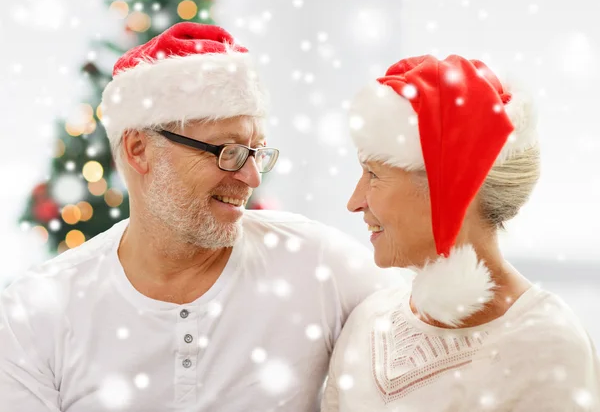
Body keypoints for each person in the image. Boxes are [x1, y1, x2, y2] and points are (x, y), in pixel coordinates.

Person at [0, 23, 402, 411]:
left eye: (256, 152)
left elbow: (434, 348)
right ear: (139, 149)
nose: (251, 177)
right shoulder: (36, 312)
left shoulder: (321, 268)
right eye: (226, 152)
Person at [322, 55, 600, 411]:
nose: (354, 201)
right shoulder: (367, 322)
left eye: (373, 174)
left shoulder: (547, 345)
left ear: (450, 190)